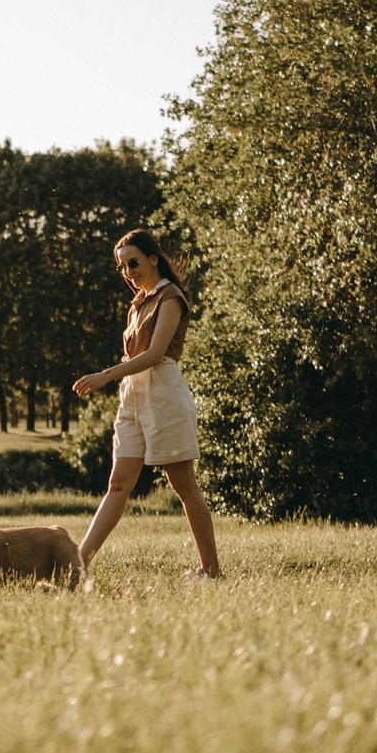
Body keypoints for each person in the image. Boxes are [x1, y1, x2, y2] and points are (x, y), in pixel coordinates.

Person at [71, 229, 223, 582]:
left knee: (184, 486)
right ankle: (77, 567)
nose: (128, 272)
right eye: (122, 267)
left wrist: (105, 375)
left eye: (133, 263)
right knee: (117, 485)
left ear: (153, 258)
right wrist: (117, 380)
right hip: (132, 398)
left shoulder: (171, 296)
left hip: (163, 394)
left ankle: (212, 572)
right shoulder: (137, 303)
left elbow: (155, 354)